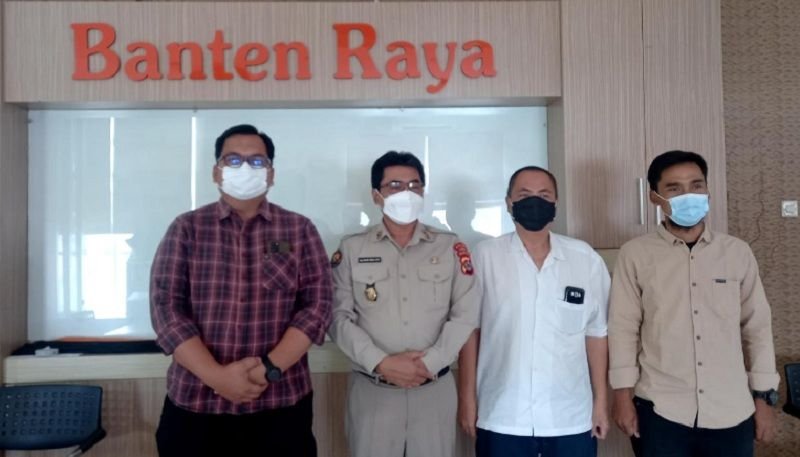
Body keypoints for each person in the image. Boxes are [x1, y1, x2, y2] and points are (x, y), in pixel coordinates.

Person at [150, 124, 333, 457]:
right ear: (216, 172)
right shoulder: (186, 228)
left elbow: (317, 305)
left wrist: (268, 368)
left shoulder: (299, 229)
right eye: (233, 160)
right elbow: (166, 309)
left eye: (257, 161)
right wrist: (217, 377)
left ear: (271, 174)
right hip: (197, 403)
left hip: (280, 403)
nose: (245, 168)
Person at [609, 150, 779, 457]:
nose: (689, 195)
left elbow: (758, 328)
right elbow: (623, 329)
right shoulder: (635, 254)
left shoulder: (737, 253)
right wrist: (622, 396)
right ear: (655, 197)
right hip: (660, 409)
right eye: (674, 188)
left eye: (696, 185)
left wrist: (765, 399)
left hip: (731, 409)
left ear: (708, 191)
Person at [329, 151, 480, 457]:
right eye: (395, 186)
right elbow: (336, 318)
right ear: (376, 195)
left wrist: (430, 363)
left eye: (414, 186)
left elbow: (465, 314)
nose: (406, 193)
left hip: (434, 390)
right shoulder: (352, 248)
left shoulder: (449, 246)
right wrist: (381, 362)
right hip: (374, 392)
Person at [457, 166, 610, 457]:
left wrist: (600, 401)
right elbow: (469, 332)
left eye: (544, 195)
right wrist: (467, 399)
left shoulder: (585, 259)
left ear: (556, 204)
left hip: (570, 416)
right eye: (525, 195)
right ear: (509, 203)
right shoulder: (485, 256)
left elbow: (596, 333)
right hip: (502, 414)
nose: (535, 201)